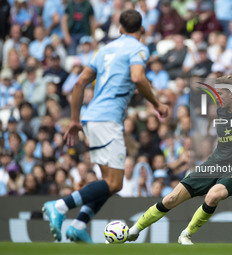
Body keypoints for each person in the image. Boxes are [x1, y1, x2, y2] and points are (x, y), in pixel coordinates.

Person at [42, 9, 168, 243]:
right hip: (108, 120)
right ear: (142, 30)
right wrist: (157, 104)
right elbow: (139, 77)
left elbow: (79, 83)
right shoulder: (138, 48)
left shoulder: (105, 49)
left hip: (93, 118)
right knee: (115, 182)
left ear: (120, 28)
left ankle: (78, 226)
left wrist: (75, 120)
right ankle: (59, 206)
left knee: (108, 184)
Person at [127, 68, 232, 245]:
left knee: (212, 196)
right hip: (214, 163)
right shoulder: (221, 112)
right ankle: (134, 230)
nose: (218, 97)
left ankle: (186, 234)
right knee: (171, 199)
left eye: (222, 93)